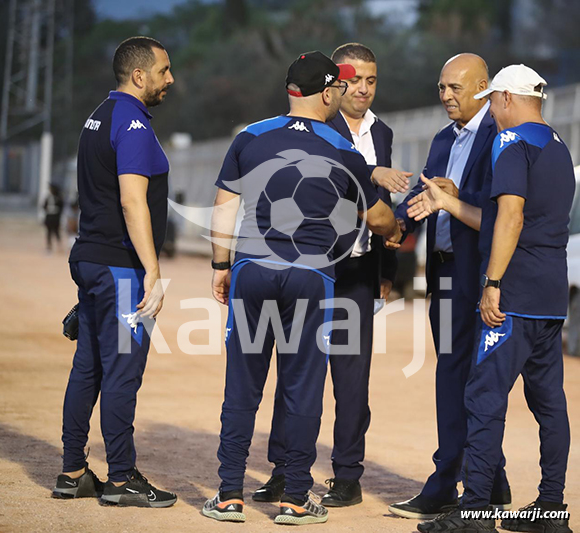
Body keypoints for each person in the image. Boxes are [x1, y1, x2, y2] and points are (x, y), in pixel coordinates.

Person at [202, 51, 401, 526]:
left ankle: (229, 495)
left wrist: (220, 266)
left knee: (242, 387)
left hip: (252, 270)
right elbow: (377, 218)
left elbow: (224, 206)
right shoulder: (341, 148)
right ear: (329, 92)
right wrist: (392, 229)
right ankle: (294, 497)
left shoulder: (248, 136)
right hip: (312, 278)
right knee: (302, 387)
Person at [416, 64, 575, 533]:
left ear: (506, 97)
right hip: (551, 296)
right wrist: (450, 202)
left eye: (492, 101)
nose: (490, 110)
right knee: (550, 405)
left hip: (514, 296)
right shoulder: (559, 145)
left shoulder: (510, 142)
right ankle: (550, 510)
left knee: (483, 400)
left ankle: (476, 512)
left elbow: (510, 216)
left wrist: (492, 282)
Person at [253, 42, 411, 508]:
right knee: (296, 374)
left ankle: (347, 476)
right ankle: (284, 470)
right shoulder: (316, 127)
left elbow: (385, 212)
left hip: (360, 273)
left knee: (351, 379)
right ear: (334, 84)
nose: (362, 88)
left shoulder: (383, 131)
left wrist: (387, 268)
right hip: (312, 267)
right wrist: (370, 173)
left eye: (371, 80)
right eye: (353, 79)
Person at [51, 36, 177, 508]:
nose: (170, 79)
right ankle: (121, 479)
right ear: (139, 76)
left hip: (90, 258)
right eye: (163, 71)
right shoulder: (133, 123)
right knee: (123, 373)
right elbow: (131, 199)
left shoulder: (98, 115)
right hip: (119, 266)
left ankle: (73, 472)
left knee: (89, 366)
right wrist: (151, 269)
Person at [385, 53, 511, 520]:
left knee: (460, 377)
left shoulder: (500, 136)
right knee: (460, 375)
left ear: (483, 86)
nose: (445, 96)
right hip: (441, 269)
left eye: (455, 87)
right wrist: (396, 224)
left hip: (475, 270)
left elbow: (501, 207)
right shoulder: (442, 138)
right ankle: (491, 479)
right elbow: (426, 195)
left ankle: (445, 482)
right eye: (441, 87)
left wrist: (458, 197)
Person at [43, 183, 64, 253]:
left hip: (55, 217)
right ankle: (49, 247)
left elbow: (62, 207)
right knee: (49, 232)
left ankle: (59, 246)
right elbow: (44, 206)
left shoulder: (59, 198)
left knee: (56, 232)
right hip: (49, 217)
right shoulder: (48, 198)